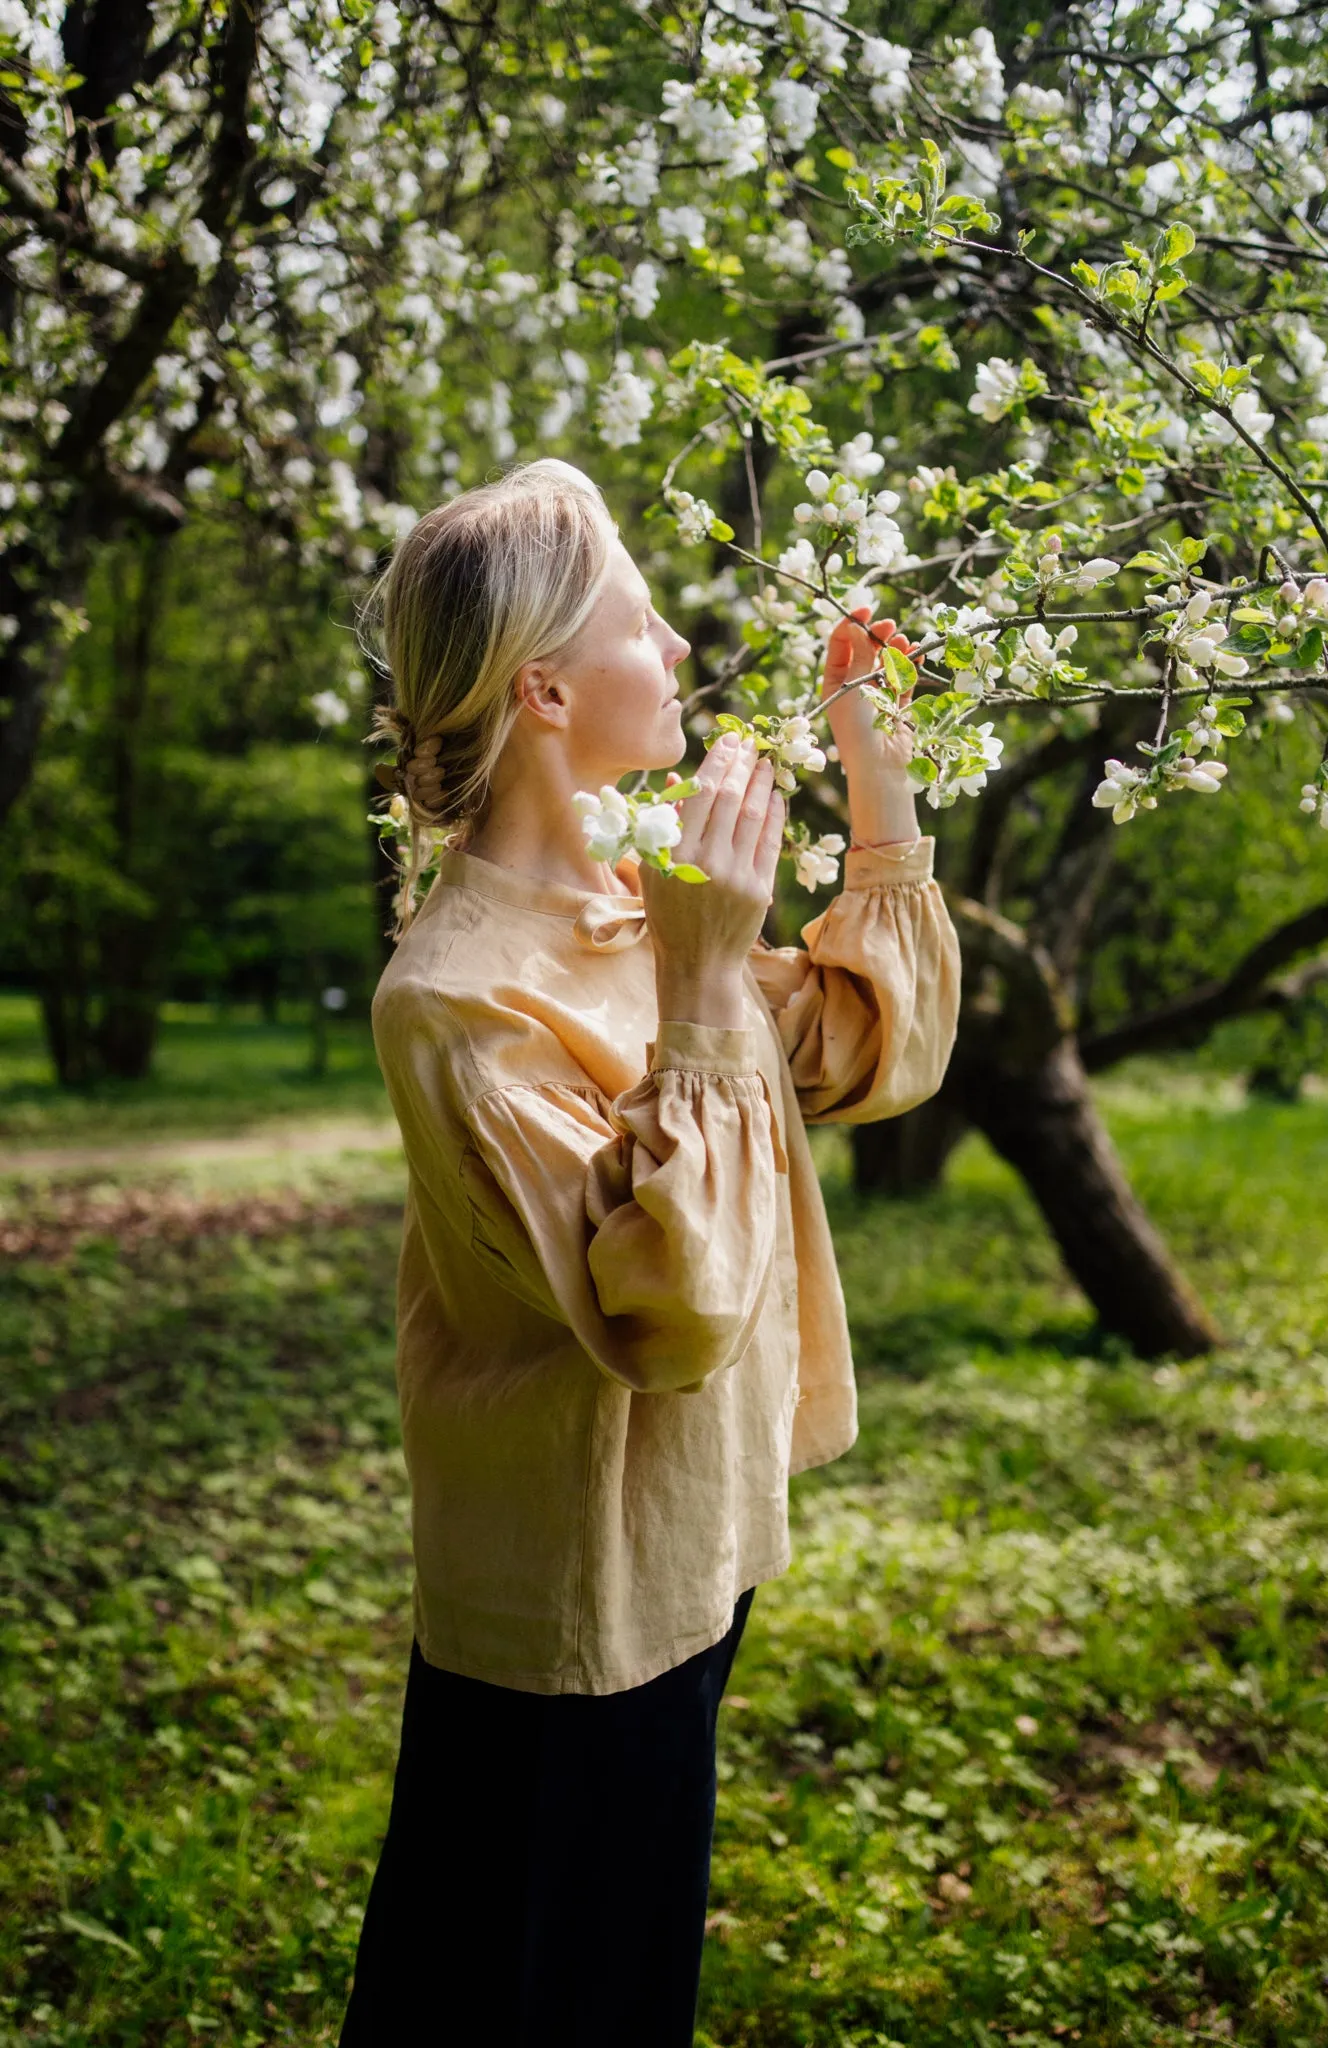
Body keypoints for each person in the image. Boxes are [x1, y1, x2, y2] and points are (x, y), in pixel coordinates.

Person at [339, 458, 961, 2046]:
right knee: (529, 1994)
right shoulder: (458, 996)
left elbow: (865, 1052)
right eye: (643, 617)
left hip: (689, 1551)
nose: (681, 644)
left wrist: (875, 770)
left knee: (610, 1970)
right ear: (545, 690)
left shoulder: (640, 899)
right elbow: (668, 1314)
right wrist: (697, 983)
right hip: (568, 1606)